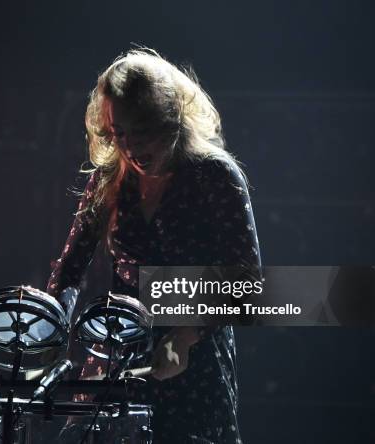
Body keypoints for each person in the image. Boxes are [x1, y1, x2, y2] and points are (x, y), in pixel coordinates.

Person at [46, 48, 261, 444]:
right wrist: (47, 326)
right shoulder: (109, 179)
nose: (129, 146)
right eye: (119, 133)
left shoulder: (215, 174)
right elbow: (69, 271)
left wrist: (185, 335)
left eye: (141, 131)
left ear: (169, 115)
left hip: (194, 369)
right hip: (117, 363)